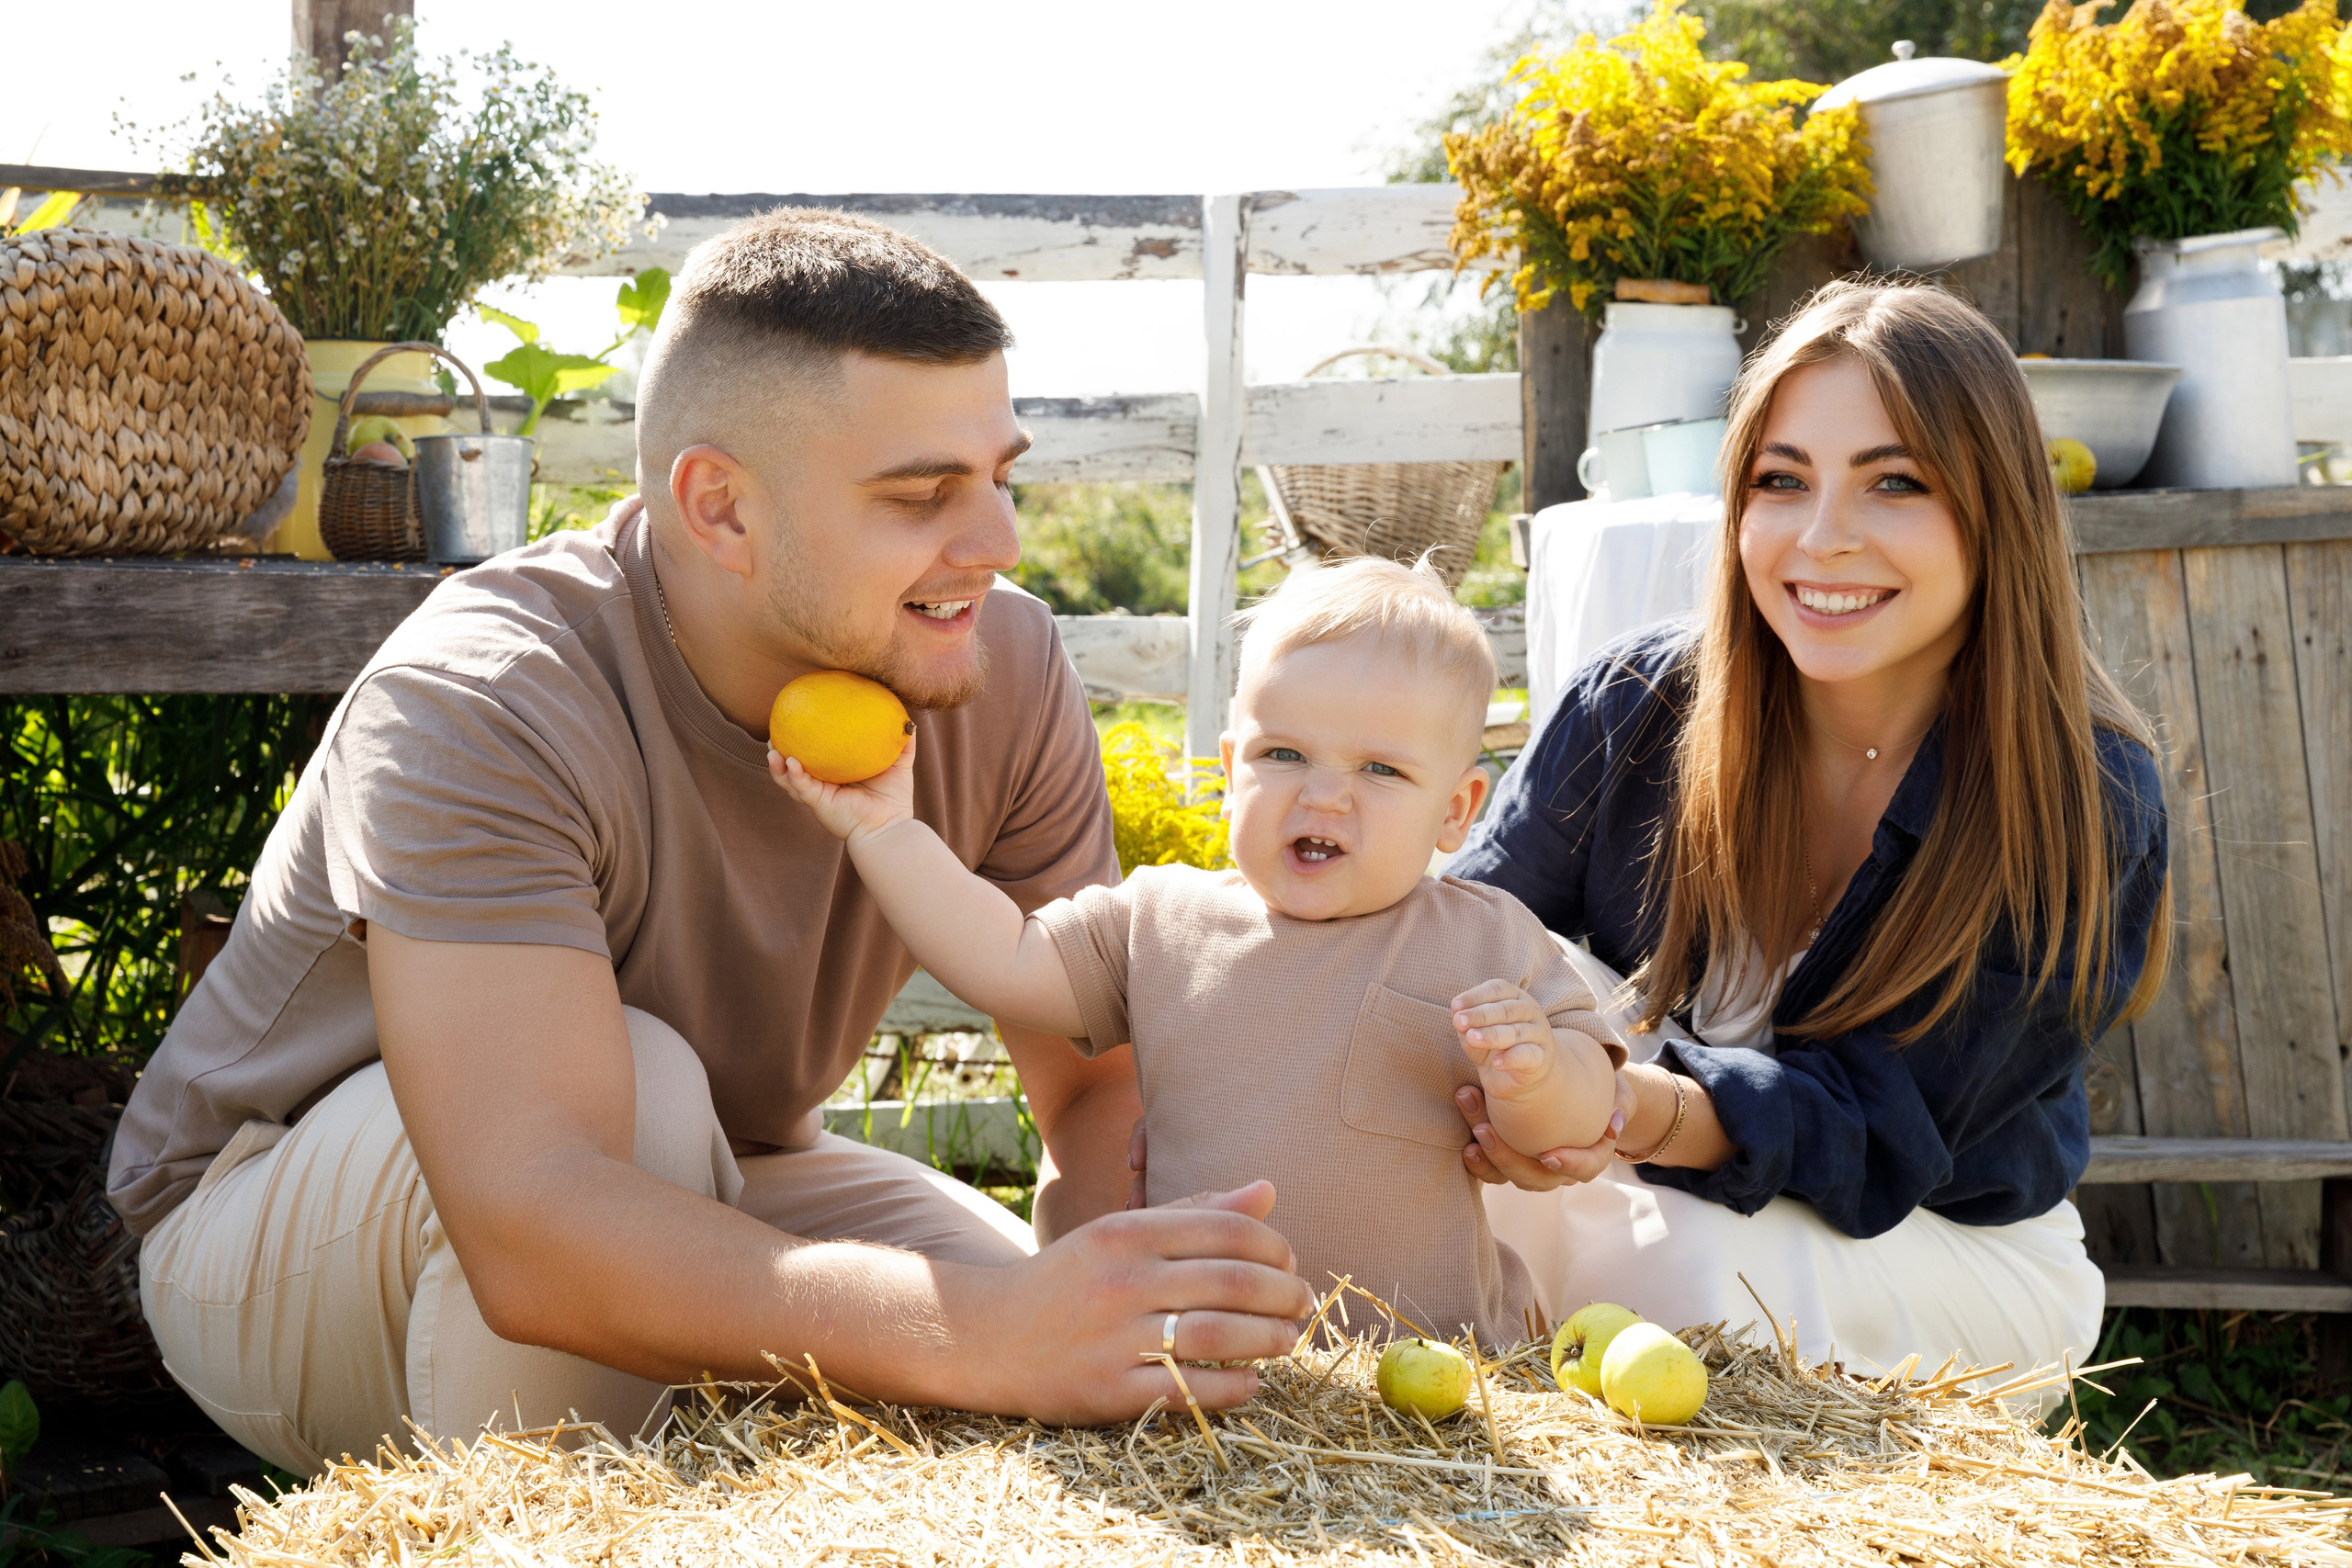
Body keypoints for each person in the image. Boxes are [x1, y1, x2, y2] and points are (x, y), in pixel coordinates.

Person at [106, 209, 1314, 1474]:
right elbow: (534, 1224)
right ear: (721, 508)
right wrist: (993, 1336)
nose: (999, 544)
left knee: (1087, 1326)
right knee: (662, 1097)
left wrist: (1114, 1279)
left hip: (734, 1172)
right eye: (923, 495)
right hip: (284, 1212)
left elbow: (1093, 1074)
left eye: (999, 475)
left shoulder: (994, 661)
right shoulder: (484, 693)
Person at [1447, 279, 2171, 1382]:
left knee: (1684, 1272)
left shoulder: (2077, 799)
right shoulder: (1640, 704)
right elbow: (1463, 934)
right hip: (1628, 1164)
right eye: (1781, 482)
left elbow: (1876, 1136)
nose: (1823, 539)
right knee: (1473, 974)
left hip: (1930, 1244)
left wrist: (1615, 1111)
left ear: (1997, 512)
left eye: (1895, 484)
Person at [774, 556, 1623, 1346]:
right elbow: (1005, 959)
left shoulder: (1482, 934)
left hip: (1430, 1373)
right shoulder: (1163, 921)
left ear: (1456, 808)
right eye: (1283, 754)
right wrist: (887, 832)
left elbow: (1584, 1115)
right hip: (1206, 1362)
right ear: (1229, 769)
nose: (1325, 795)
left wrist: (1540, 1077)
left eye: (1381, 771)